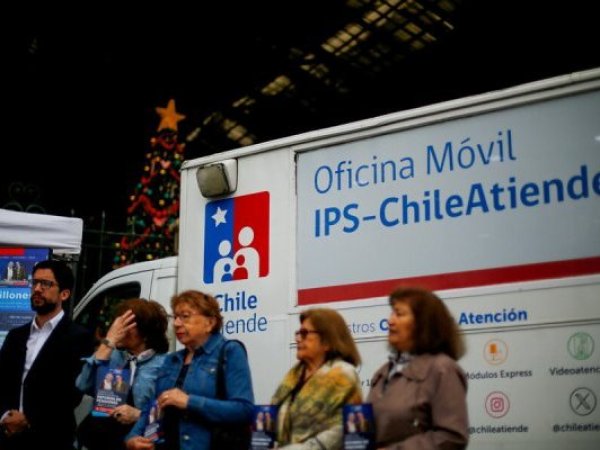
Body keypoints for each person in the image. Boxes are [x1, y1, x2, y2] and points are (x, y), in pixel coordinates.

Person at [125, 290, 254, 450]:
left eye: (185, 316)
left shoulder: (230, 351)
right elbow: (152, 407)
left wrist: (188, 402)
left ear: (210, 323)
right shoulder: (171, 360)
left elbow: (244, 410)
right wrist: (132, 437)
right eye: (175, 317)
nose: (177, 323)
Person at [0, 259, 94, 450]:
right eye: (35, 282)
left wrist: (27, 420)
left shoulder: (78, 337)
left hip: (52, 438)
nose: (37, 289)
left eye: (46, 284)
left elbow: (71, 393)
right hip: (9, 436)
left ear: (64, 294)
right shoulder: (16, 336)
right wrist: (4, 416)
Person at [367, 287, 469, 450]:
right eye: (392, 313)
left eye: (399, 314)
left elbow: (452, 436)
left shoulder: (442, 369)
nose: (390, 321)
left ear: (423, 323)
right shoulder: (383, 372)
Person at [76, 298, 169, 450]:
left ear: (145, 332)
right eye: (118, 323)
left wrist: (138, 415)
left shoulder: (165, 365)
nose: (119, 329)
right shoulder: (112, 355)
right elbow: (82, 384)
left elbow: (170, 417)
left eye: (126, 325)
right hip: (97, 440)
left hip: (134, 442)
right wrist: (108, 341)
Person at [271, 308, 362, 449]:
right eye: (298, 333)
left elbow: (342, 429)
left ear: (327, 341)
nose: (298, 339)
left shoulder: (343, 375)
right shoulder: (293, 375)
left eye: (304, 333)